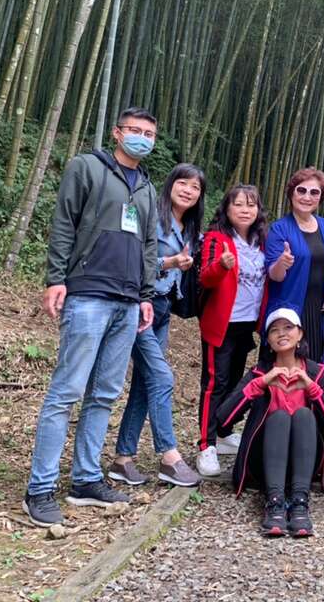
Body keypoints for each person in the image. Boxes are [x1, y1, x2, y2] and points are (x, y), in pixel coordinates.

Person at [23, 107, 160, 527]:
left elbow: (149, 243)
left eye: (148, 134)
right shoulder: (87, 167)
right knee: (66, 391)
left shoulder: (147, 187)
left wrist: (146, 294)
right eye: (134, 130)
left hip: (127, 301)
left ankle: (85, 479)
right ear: (117, 133)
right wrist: (55, 279)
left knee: (104, 394)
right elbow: (64, 221)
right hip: (87, 293)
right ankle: (40, 488)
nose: (141, 138)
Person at [109, 164, 206, 489]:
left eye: (195, 187)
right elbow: (134, 256)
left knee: (144, 382)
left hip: (163, 309)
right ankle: (169, 456)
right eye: (183, 183)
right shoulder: (151, 215)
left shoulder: (191, 229)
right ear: (170, 184)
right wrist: (170, 262)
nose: (188, 190)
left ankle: (123, 459)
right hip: (140, 305)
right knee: (162, 377)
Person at [215, 308, 324, 538]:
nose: (281, 333)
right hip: (265, 462)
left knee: (303, 415)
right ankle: (274, 502)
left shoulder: (315, 372)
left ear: (300, 334)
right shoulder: (259, 373)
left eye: (288, 327)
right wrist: (260, 384)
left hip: (305, 461)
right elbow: (223, 419)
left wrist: (311, 388)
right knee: (280, 417)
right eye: (274, 330)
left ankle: (300, 502)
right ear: (269, 341)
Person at [195, 185, 268, 478]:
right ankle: (206, 444)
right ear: (227, 208)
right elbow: (205, 277)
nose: (245, 210)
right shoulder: (217, 238)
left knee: (236, 380)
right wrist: (222, 266)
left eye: (251, 205)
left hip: (248, 322)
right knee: (215, 383)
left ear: (258, 210)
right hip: (222, 323)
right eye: (238, 204)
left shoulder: (262, 241)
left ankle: (225, 432)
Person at [265, 168, 324, 363]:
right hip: (290, 307)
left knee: (315, 363)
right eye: (301, 190)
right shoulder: (279, 229)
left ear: (321, 197)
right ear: (291, 193)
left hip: (319, 307)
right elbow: (274, 274)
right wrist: (281, 263)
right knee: (287, 364)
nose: (307, 197)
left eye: (314, 192)